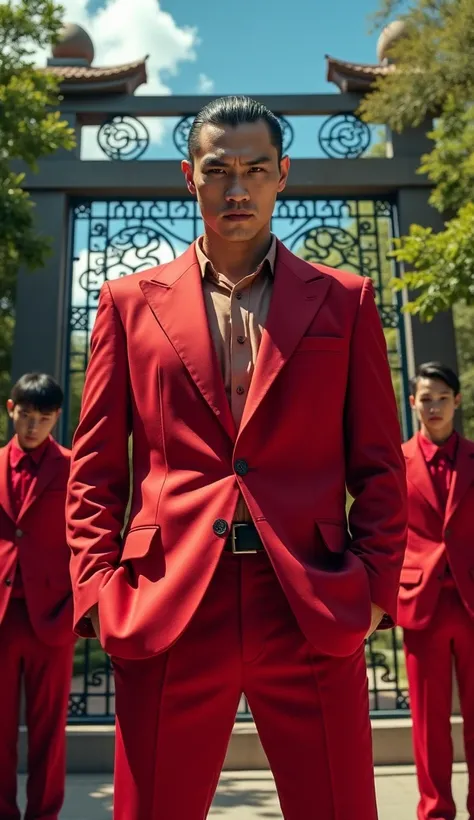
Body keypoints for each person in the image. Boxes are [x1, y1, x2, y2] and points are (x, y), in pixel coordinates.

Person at [67, 95, 407, 820]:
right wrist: (97, 591)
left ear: (283, 176)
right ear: (188, 178)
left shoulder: (345, 301)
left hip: (310, 598)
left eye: (255, 169)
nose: (236, 188)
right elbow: (95, 466)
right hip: (169, 601)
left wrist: (375, 587)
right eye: (217, 169)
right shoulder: (128, 302)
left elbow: (379, 462)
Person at [398, 362, 474, 820]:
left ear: (457, 401)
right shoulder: (396, 461)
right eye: (425, 398)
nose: (434, 406)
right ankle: (435, 811)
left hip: (471, 604)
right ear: (413, 403)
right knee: (428, 725)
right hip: (421, 603)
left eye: (442, 397)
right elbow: (385, 533)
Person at [0, 373, 74, 820]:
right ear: (11, 409)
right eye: (25, 416)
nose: (32, 427)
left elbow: (86, 540)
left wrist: (80, 610)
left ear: (56, 419)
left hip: (54, 618)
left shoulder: (71, 467)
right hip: (2, 618)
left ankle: (44, 814)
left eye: (43, 419)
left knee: (51, 732)